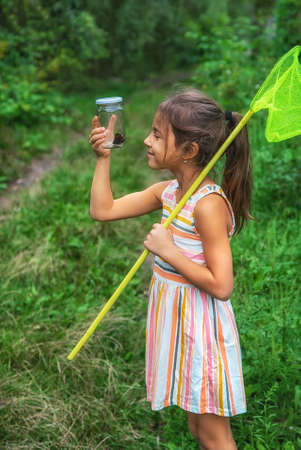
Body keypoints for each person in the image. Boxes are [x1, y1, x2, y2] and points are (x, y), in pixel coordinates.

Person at [88, 88, 252, 449]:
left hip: (201, 330)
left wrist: (169, 251)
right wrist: (103, 159)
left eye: (158, 135)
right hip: (178, 321)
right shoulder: (169, 193)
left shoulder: (206, 205)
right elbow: (104, 210)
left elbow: (222, 285)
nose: (147, 140)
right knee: (198, 430)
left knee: (213, 434)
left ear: (189, 151)